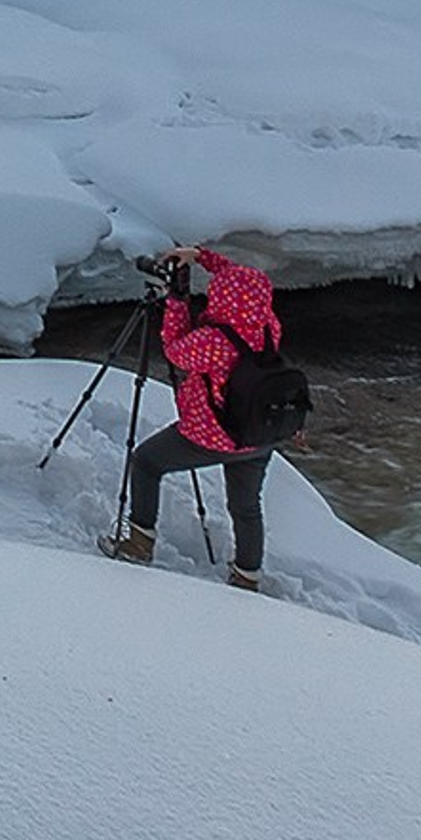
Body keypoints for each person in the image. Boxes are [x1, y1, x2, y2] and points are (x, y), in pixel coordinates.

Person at [98, 243, 289, 593]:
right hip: (259, 436)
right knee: (246, 506)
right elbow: (240, 279)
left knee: (146, 462)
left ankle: (139, 545)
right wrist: (201, 257)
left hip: (214, 436)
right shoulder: (267, 327)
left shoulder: (214, 342)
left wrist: (176, 303)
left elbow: (174, 350)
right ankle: (247, 577)